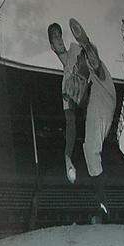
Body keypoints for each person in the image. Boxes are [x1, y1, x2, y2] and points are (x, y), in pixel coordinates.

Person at [70, 19, 116, 222]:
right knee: (90, 150)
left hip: (104, 106)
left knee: (90, 149)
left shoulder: (94, 64)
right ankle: (104, 204)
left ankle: (104, 204)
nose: (80, 64)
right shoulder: (92, 81)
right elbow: (82, 104)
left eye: (80, 61)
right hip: (103, 109)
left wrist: (84, 41)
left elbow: (93, 59)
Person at [48, 20, 89, 184]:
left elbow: (88, 56)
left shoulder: (73, 48)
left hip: (89, 89)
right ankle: (67, 159)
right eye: (54, 39)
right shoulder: (64, 83)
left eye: (59, 36)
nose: (59, 40)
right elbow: (70, 123)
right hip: (77, 98)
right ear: (52, 47)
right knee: (71, 120)